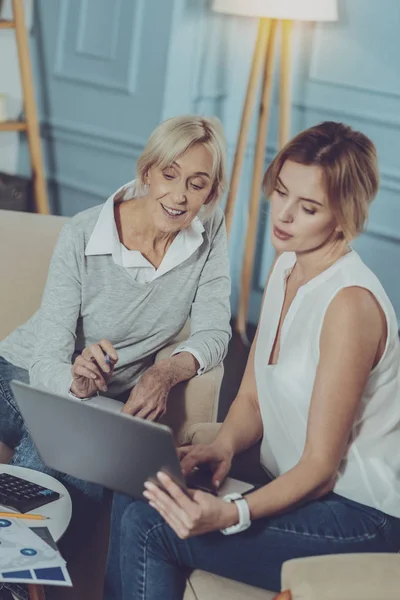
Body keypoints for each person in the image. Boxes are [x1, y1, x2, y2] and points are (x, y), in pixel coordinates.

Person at [104, 121, 400, 599]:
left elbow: (323, 467)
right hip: (302, 491)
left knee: (153, 526)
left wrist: (233, 512)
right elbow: (253, 398)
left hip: (361, 517)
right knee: (139, 484)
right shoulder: (288, 266)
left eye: (308, 208)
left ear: (344, 217)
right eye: (280, 192)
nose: (282, 215)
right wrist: (222, 445)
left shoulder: (350, 305)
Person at [0, 115, 231, 561]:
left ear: (212, 191)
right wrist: (75, 382)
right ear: (148, 172)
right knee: (76, 444)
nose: (180, 196)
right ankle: (17, 573)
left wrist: (164, 373)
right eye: (169, 175)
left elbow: (214, 332)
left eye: (197, 184)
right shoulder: (84, 233)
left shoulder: (210, 232)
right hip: (21, 374)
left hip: (98, 403)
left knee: (83, 453)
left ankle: (16, 576)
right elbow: (47, 355)